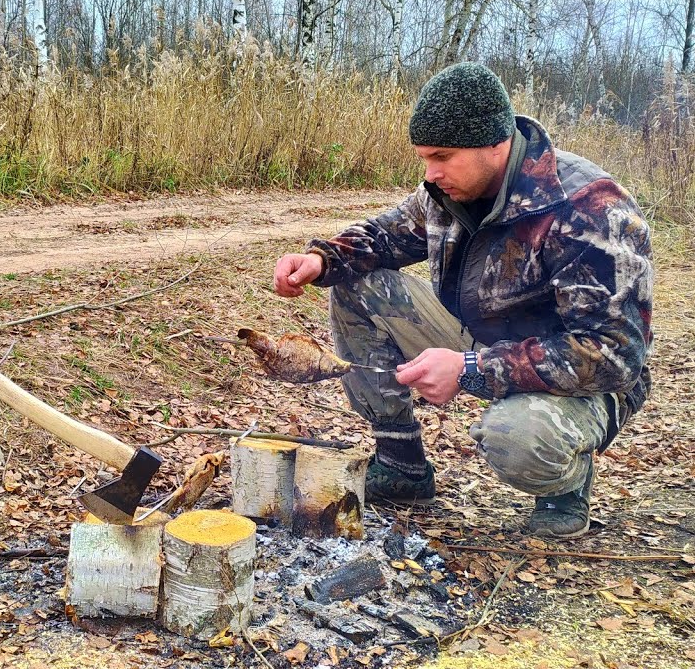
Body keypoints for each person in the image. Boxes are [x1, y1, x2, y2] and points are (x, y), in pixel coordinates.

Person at [273, 62, 653, 538]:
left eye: (442, 156)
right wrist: (322, 260)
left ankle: (564, 485)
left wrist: (470, 368)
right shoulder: (446, 190)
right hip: (485, 338)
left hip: (587, 375)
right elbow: (385, 236)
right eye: (424, 158)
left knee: (514, 439)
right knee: (355, 283)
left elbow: (613, 354)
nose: (430, 174)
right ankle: (401, 464)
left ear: (496, 142)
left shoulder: (588, 209)